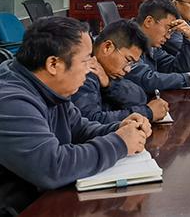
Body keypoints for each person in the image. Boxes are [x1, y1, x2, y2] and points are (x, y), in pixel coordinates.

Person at [0, 17, 150, 216]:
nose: (91, 68)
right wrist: (120, 143)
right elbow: (52, 167)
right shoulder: (11, 101)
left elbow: (79, 128)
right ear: (54, 64)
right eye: (86, 60)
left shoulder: (52, 89)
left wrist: (119, 128)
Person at [71, 20, 170, 123]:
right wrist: (147, 113)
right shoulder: (87, 71)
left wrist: (109, 84)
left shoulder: (108, 72)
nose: (128, 69)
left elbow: (140, 98)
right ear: (107, 47)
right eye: (128, 60)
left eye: (132, 63)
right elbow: (90, 121)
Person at [126, 0, 190, 93]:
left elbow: (176, 69)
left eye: (171, 31)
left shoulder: (151, 46)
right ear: (149, 21)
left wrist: (189, 40)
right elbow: (146, 79)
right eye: (167, 28)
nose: (168, 36)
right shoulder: (126, 40)